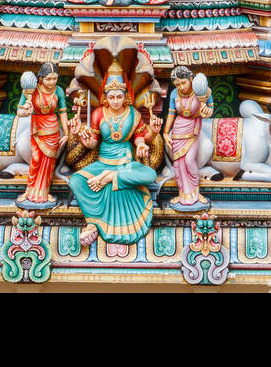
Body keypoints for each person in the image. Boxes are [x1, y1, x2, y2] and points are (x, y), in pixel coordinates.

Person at [68, 68, 160, 246]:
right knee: (76, 182)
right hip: (102, 163)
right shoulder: (98, 114)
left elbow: (139, 137)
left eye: (119, 97)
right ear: (105, 97)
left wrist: (143, 143)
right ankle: (92, 223)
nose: (116, 101)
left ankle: (112, 178)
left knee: (150, 175)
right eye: (111, 97)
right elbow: (92, 143)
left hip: (125, 164)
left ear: (126, 95)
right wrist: (80, 135)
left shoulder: (134, 114)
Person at [16, 64, 69, 208]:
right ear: (40, 78)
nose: (52, 82)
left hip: (52, 130)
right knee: (36, 160)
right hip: (37, 129)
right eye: (48, 79)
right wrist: (25, 111)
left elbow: (63, 112)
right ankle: (29, 191)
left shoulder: (58, 91)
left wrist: (67, 133)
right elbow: (19, 111)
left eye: (55, 78)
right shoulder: (31, 89)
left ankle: (44, 192)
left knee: (49, 163)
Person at [163, 67, 212, 209]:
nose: (181, 87)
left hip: (193, 128)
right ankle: (182, 194)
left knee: (190, 161)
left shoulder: (203, 91)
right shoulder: (174, 94)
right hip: (178, 129)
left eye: (183, 82)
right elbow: (171, 114)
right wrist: (166, 133)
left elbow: (209, 109)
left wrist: (207, 111)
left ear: (191, 79)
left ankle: (195, 193)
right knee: (178, 165)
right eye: (177, 84)